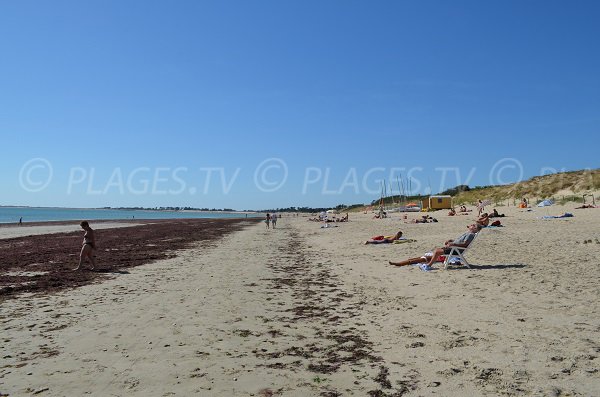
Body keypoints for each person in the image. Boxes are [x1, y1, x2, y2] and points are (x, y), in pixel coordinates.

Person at [389, 223, 480, 267]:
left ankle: (427, 265)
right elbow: (460, 242)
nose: (471, 225)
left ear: (475, 229)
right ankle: (400, 263)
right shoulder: (468, 233)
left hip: (454, 251)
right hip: (452, 249)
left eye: (473, 225)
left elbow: (464, 245)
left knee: (422, 258)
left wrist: (452, 244)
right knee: (419, 258)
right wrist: (451, 241)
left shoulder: (471, 235)